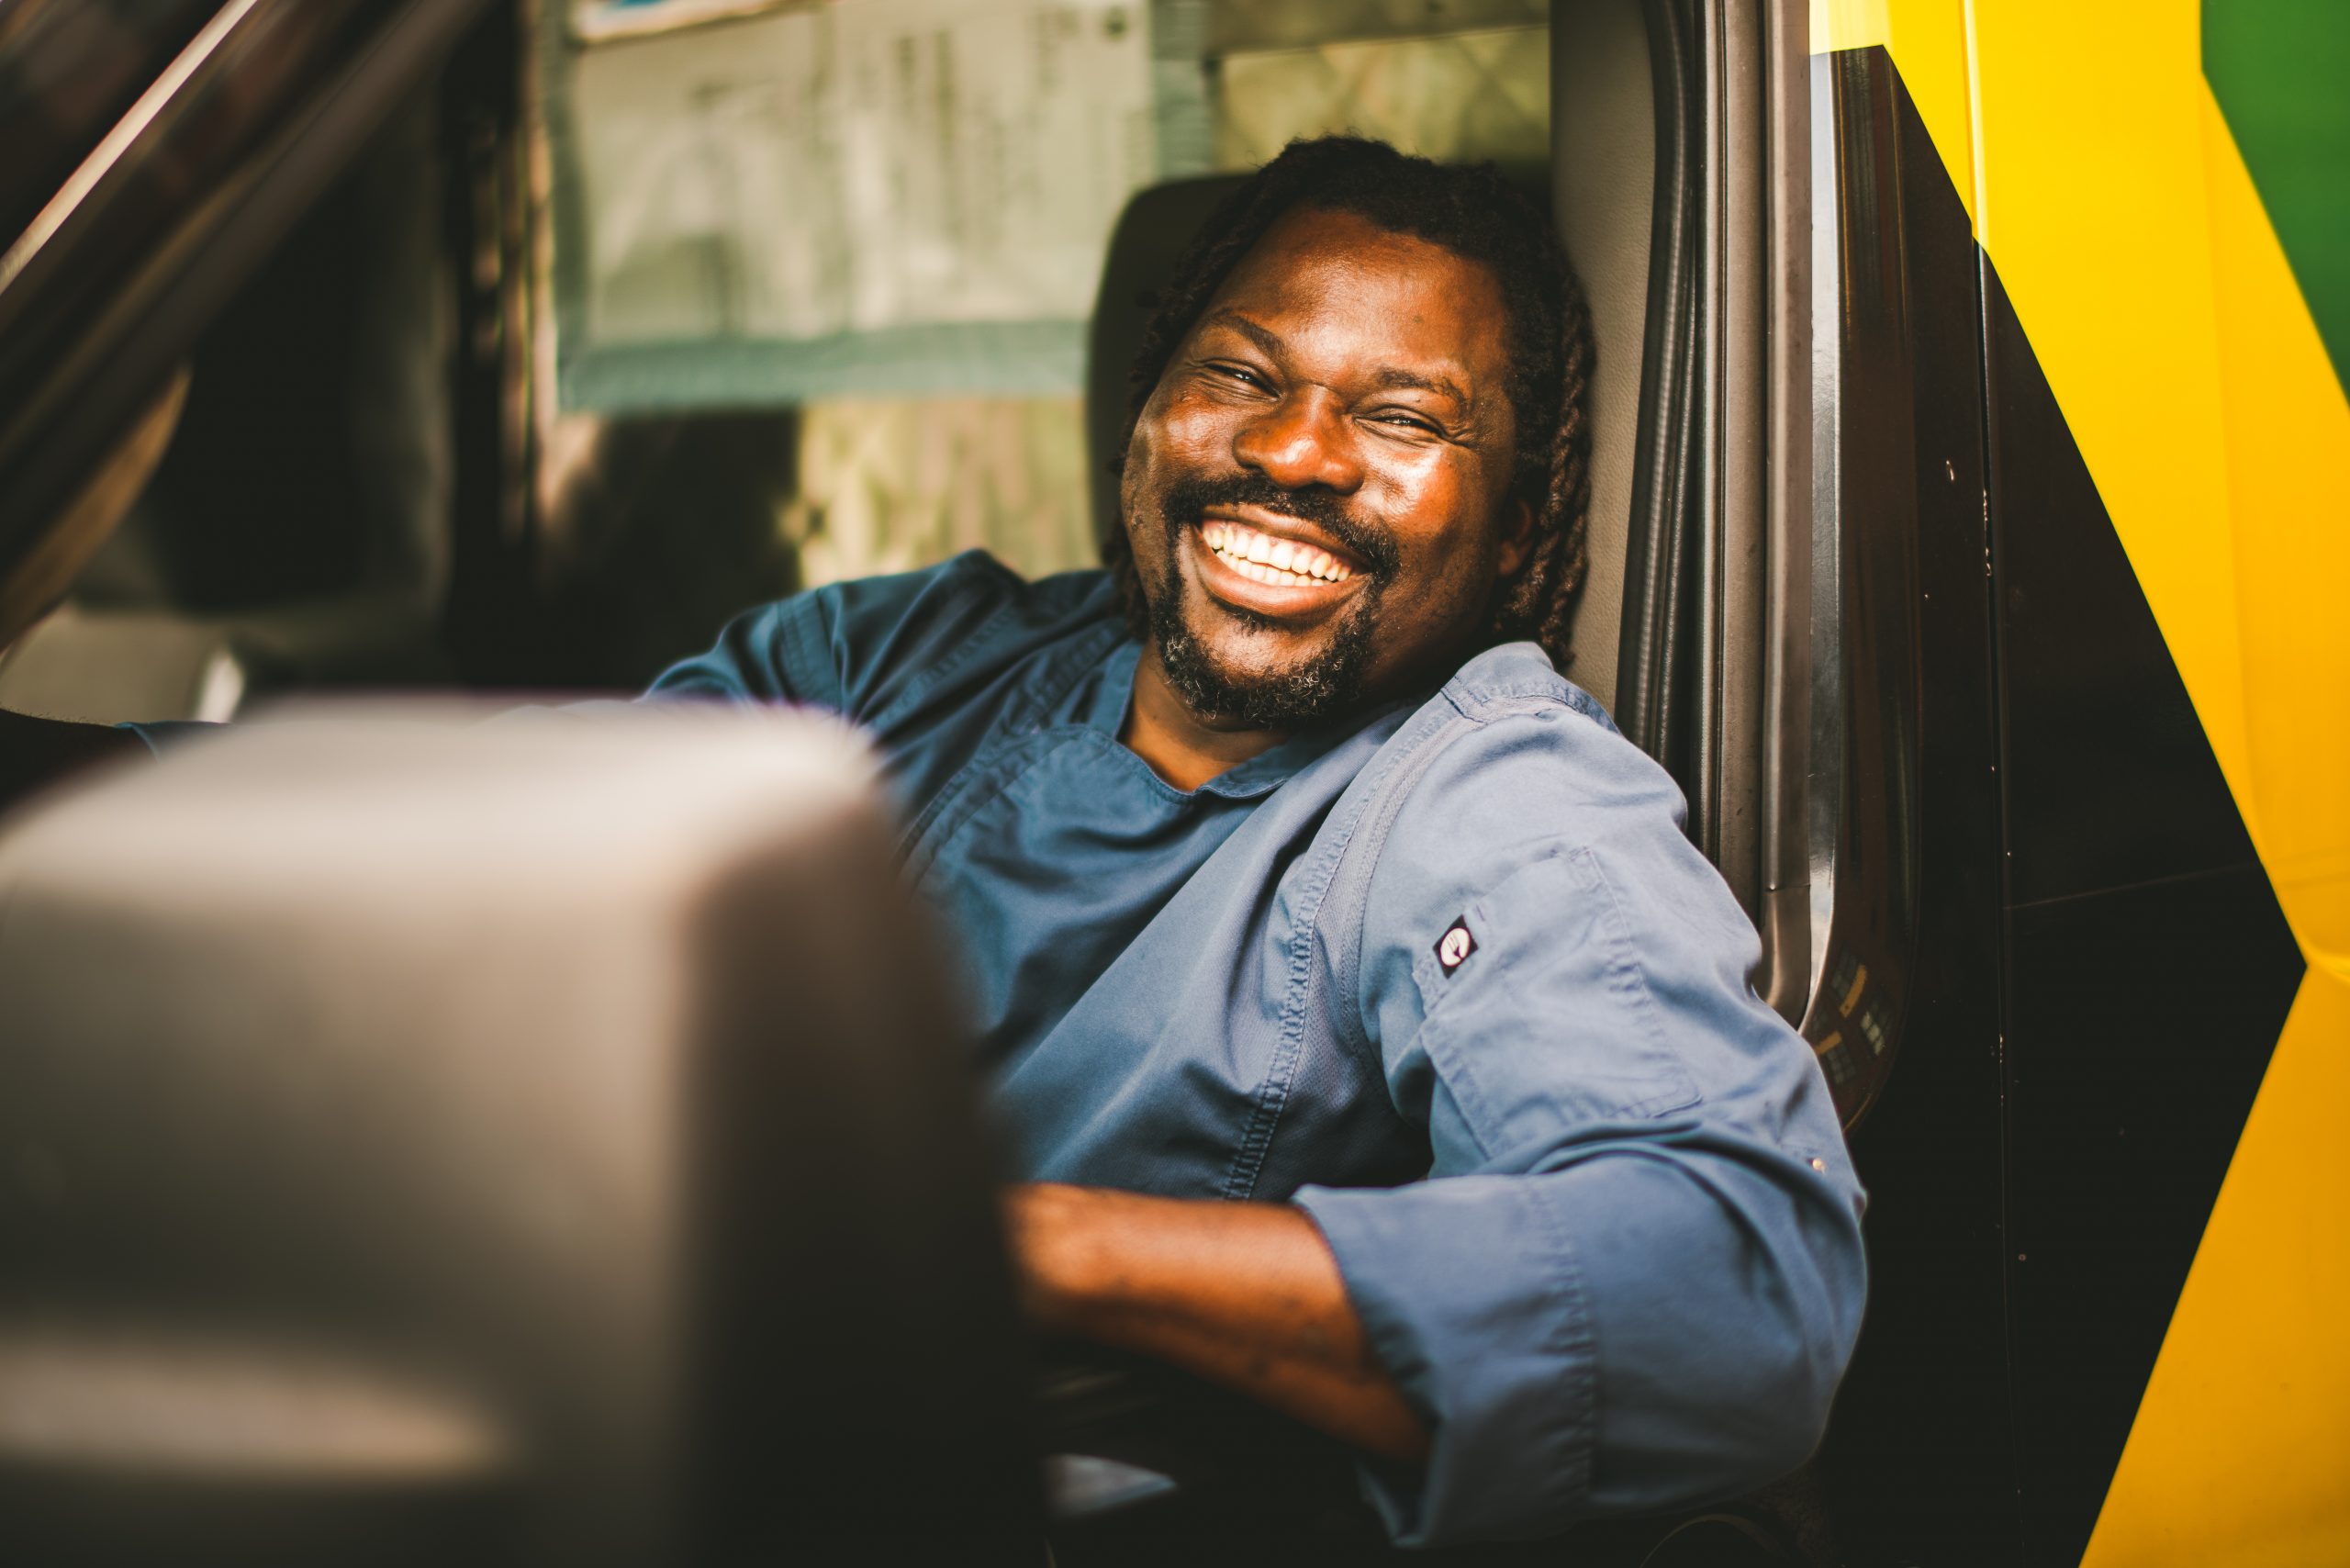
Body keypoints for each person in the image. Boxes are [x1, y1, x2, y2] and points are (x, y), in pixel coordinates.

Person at [0, 137, 1864, 1550]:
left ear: (1518, 516)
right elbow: (506, 830)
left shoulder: (1493, 793)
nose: (1293, 450)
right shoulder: (920, 652)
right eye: (1240, 370)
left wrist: (984, 1247)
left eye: (1398, 415)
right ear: (1148, 403)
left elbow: (1723, 1284)